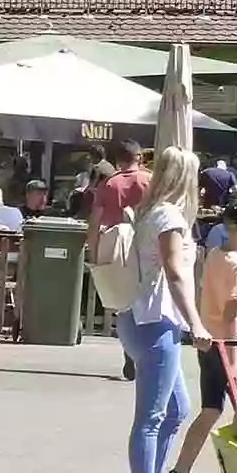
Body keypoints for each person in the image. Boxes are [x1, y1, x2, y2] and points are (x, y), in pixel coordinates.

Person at [119, 146, 211, 473]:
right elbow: (174, 272)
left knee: (175, 409)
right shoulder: (170, 216)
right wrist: (197, 322)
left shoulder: (148, 212)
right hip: (157, 319)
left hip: (138, 316)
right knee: (154, 417)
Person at [163, 197, 237, 473]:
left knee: (211, 409)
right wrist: (233, 362)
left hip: (210, 342)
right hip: (233, 344)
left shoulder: (214, 256)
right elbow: (232, 314)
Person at [91, 141, 151, 383]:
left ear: (117, 159)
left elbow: (94, 222)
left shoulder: (109, 183)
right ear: (139, 157)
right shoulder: (150, 180)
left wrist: (93, 252)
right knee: (144, 300)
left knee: (123, 301)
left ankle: (129, 351)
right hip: (145, 246)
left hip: (117, 245)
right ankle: (143, 352)